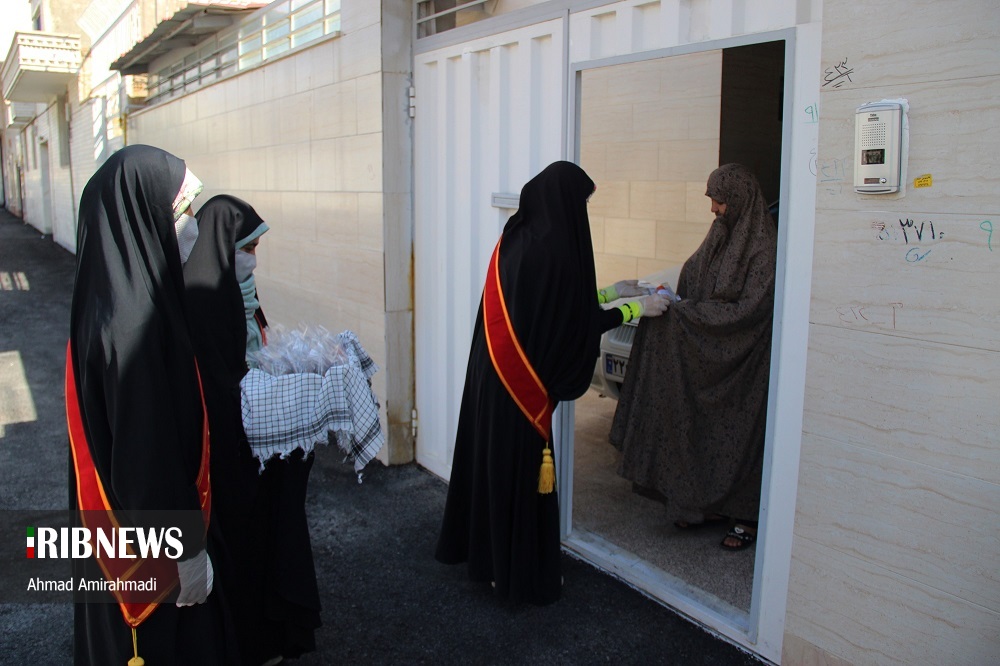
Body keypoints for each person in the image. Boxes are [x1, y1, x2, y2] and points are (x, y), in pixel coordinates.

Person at [435, 160, 669, 604]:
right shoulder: (555, 250)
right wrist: (636, 309)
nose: (582, 211)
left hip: (491, 380)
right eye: (582, 202)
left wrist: (612, 291)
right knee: (521, 477)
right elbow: (573, 324)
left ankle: (492, 564)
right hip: (519, 389)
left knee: (495, 471)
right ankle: (517, 577)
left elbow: (552, 306)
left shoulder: (518, 240)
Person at [67, 145, 239, 664]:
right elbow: (146, 455)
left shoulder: (115, 298)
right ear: (142, 217)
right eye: (182, 211)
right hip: (151, 557)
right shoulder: (131, 327)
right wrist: (185, 551)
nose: (192, 226)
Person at [609, 163, 778, 551]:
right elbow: (694, 274)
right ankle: (708, 506)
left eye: (719, 201)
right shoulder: (722, 232)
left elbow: (750, 312)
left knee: (740, 438)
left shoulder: (763, 249)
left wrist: (686, 314)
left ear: (738, 199)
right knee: (705, 435)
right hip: (707, 353)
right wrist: (671, 298)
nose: (713, 209)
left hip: (743, 364)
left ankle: (746, 518)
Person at [186, 194, 320, 663]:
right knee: (240, 547)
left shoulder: (242, 290)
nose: (253, 260)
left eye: (256, 249)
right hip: (227, 451)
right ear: (222, 247)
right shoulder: (201, 297)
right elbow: (215, 381)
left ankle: (270, 635)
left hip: (258, 441)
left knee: (269, 537)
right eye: (247, 249)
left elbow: (255, 351)